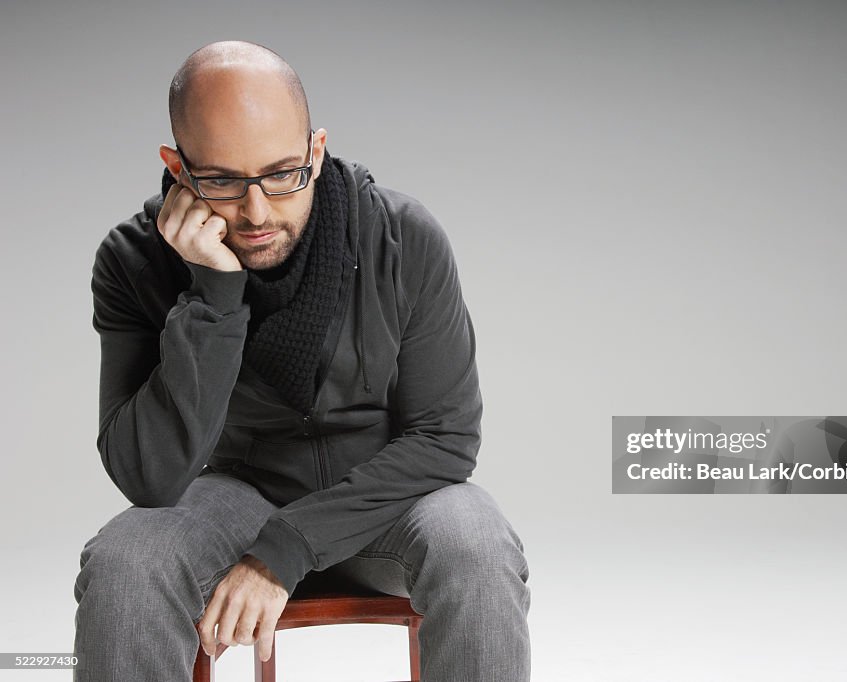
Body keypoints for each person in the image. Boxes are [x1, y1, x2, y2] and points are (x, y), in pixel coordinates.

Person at [72, 40, 531, 682]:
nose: (257, 212)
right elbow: (148, 479)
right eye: (223, 182)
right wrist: (214, 298)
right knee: (126, 561)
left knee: (477, 542)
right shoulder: (132, 260)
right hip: (237, 494)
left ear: (315, 151)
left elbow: (445, 439)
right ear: (177, 168)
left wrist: (283, 551)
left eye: (283, 174)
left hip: (391, 501)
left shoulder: (401, 236)